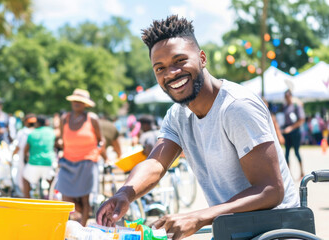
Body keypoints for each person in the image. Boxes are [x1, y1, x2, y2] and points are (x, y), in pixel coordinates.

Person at [97, 15, 299, 239]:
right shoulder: (178, 114)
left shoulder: (236, 107)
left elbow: (271, 191)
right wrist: (124, 194)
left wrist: (199, 216)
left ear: (202, 58)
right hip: (233, 229)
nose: (171, 73)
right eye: (160, 68)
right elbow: (155, 163)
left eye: (180, 60)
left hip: (275, 231)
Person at [56, 88, 103, 226]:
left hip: (87, 162)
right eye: (75, 101)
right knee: (66, 197)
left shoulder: (92, 119)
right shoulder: (64, 119)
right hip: (67, 162)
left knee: (84, 199)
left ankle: (82, 228)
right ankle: (65, 227)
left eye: (80, 101)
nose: (77, 103)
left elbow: (101, 140)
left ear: (85, 104)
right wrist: (59, 142)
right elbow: (61, 138)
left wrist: (97, 153)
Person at [22, 115, 56, 198]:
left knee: (25, 179)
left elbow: (26, 150)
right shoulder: (51, 132)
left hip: (34, 162)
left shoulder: (32, 133)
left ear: (37, 123)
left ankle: (27, 200)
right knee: (52, 182)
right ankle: (52, 197)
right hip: (48, 162)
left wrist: (25, 159)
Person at [282, 89, 305, 178]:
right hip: (287, 132)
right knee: (286, 153)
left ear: (290, 96)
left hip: (295, 131)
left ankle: (302, 172)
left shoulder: (296, 105)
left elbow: (301, 120)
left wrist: (291, 128)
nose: (287, 98)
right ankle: (289, 175)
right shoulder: (284, 107)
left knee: (296, 152)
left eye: (288, 96)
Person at [12, 113, 36, 196]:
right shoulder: (36, 132)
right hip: (35, 160)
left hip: (25, 160)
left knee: (24, 180)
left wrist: (12, 155)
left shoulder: (23, 132)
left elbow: (18, 147)